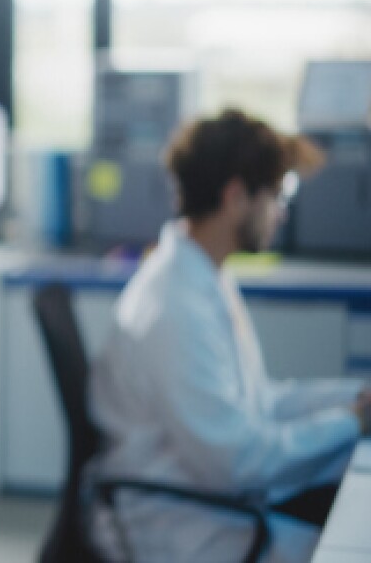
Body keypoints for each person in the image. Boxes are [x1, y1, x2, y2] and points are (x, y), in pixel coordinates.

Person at [88, 109, 371, 562]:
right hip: (184, 527)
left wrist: (353, 399)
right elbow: (240, 462)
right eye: (278, 195)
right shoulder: (174, 307)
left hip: (212, 499)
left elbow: (259, 403)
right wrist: (350, 423)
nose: (282, 213)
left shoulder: (203, 275)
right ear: (237, 197)